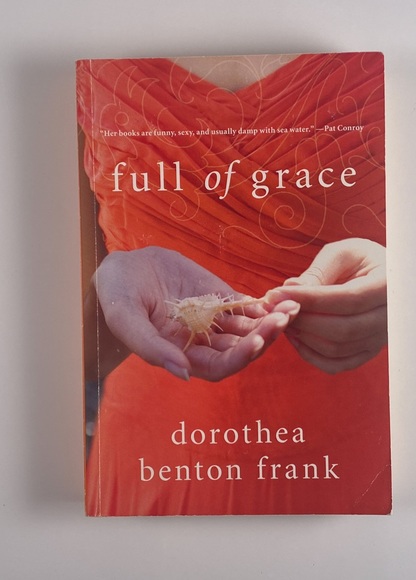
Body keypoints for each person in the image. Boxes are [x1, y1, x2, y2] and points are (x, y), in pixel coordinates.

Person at [77, 52, 390, 515]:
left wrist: (406, 295)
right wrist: (111, 295)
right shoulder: (84, 51)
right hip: (153, 458)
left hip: (351, 451)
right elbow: (76, 359)